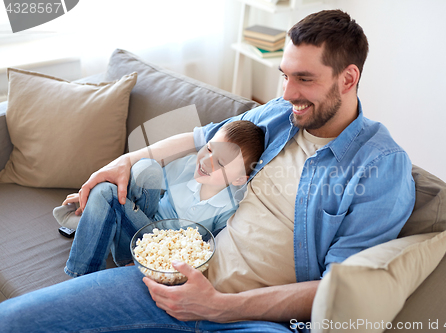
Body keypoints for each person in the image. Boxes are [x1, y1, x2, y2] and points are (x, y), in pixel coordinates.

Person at [0, 9, 416, 332]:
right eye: (284, 75)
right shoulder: (278, 114)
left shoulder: (379, 167)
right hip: (175, 278)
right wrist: (122, 163)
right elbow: (199, 139)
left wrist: (217, 306)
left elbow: (337, 290)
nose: (288, 93)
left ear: (348, 78)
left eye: (304, 79)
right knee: (14, 322)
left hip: (255, 320)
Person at [56, 120, 265, 277]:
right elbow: (138, 186)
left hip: (165, 253)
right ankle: (81, 274)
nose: (206, 161)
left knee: (111, 191)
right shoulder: (186, 166)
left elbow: (208, 252)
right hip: (141, 226)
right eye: (209, 148)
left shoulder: (229, 208)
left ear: (238, 179)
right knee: (144, 169)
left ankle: (102, 233)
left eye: (220, 163)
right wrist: (95, 194)